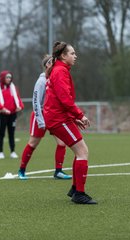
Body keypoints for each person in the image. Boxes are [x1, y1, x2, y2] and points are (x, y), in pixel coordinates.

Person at [43, 41, 97, 204]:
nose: (75, 56)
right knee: (82, 152)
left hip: (60, 117)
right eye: (72, 53)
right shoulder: (60, 71)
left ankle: (75, 189)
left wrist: (73, 118)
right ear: (63, 56)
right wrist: (80, 115)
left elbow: (62, 99)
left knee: (79, 152)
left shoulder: (60, 69)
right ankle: (79, 193)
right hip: (58, 118)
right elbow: (64, 99)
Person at [17, 55, 72, 180]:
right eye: (53, 62)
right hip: (40, 115)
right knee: (33, 143)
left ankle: (58, 171)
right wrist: (40, 120)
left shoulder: (54, 78)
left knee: (62, 142)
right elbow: (36, 102)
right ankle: (21, 170)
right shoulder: (41, 81)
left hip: (52, 115)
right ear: (47, 65)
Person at [0, 71, 24, 159]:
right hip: (2, 114)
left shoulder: (13, 87)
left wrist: (20, 106)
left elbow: (18, 98)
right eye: (7, 77)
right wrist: (2, 108)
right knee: (1, 133)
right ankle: (0, 152)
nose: (9, 79)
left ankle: (12, 151)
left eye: (10, 77)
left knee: (11, 133)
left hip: (13, 114)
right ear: (3, 78)